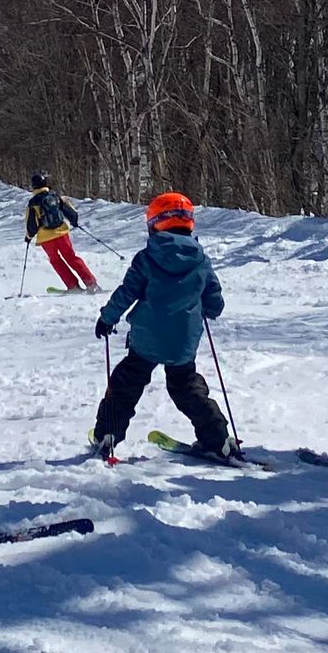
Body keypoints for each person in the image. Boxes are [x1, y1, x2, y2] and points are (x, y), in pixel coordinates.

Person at [91, 192, 234, 462]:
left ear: (154, 223)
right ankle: (218, 440)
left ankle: (107, 435)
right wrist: (208, 308)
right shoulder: (201, 261)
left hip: (146, 339)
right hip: (183, 341)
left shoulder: (146, 258)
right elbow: (214, 301)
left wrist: (108, 318)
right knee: (187, 387)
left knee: (126, 384)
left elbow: (126, 292)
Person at [26, 171, 99, 292]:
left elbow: (31, 225)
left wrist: (28, 237)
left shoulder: (33, 203)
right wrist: (74, 222)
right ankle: (91, 283)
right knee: (71, 257)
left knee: (56, 261)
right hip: (61, 233)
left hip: (46, 238)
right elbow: (71, 212)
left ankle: (73, 286)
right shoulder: (55, 196)